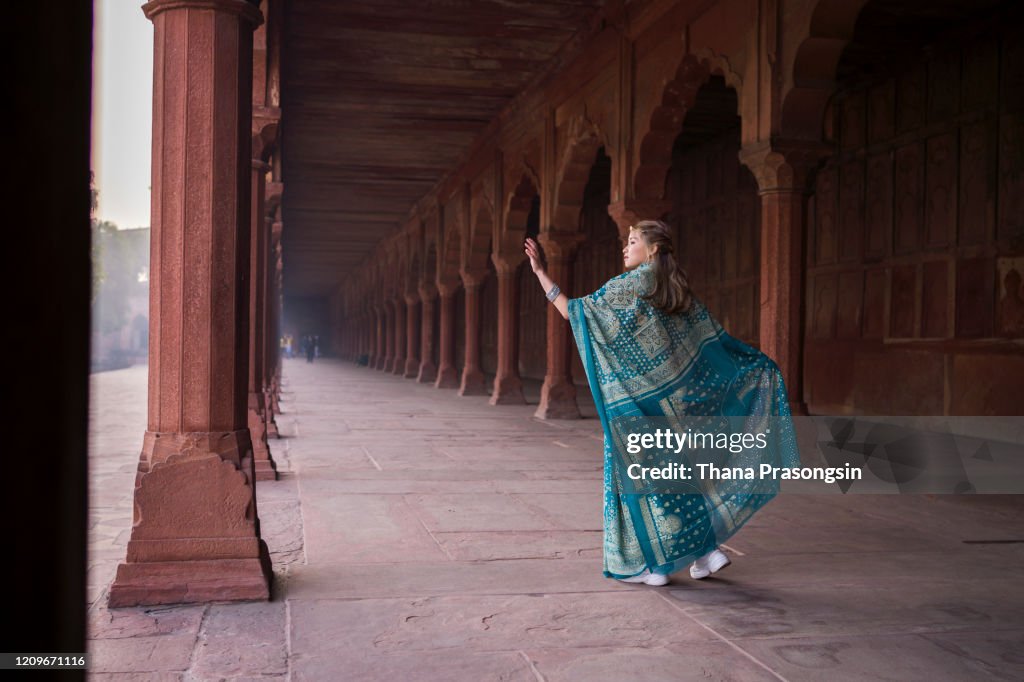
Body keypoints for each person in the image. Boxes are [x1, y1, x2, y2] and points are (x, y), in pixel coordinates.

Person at [524, 221, 799, 587]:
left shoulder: (631, 284)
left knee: (646, 483)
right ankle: (706, 553)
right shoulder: (677, 289)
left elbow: (576, 313)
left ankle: (657, 567)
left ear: (652, 249)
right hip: (674, 402)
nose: (625, 247)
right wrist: (756, 367)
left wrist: (542, 274)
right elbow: (711, 345)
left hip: (635, 402)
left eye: (633, 240)